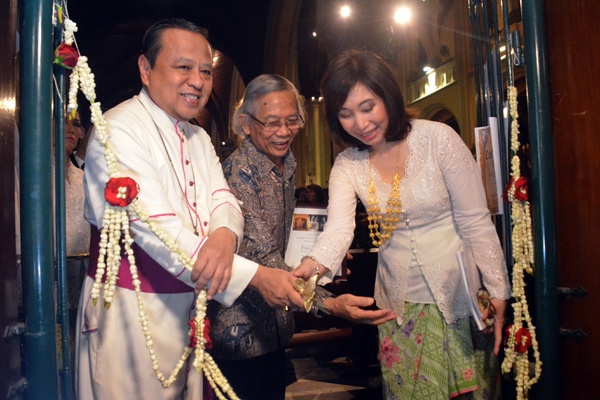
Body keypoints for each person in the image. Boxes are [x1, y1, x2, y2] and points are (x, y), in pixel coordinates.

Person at [76, 19, 304, 400]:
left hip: (192, 306)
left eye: (205, 71)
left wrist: (223, 236)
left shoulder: (198, 136)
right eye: (183, 67)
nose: (197, 80)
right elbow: (157, 230)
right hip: (133, 310)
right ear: (145, 70)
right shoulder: (117, 128)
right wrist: (254, 276)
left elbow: (224, 200)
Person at [293, 50, 511, 399]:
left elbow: (474, 221)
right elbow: (338, 231)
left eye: (368, 107)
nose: (360, 124)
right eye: (346, 114)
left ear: (389, 96)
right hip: (398, 309)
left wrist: (498, 289)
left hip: (460, 298)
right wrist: (313, 264)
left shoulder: (437, 138)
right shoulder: (347, 164)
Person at [208, 74, 395, 400]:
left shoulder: (285, 165)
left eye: (293, 120)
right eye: (272, 123)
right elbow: (265, 258)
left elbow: (283, 248)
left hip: (276, 328)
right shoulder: (238, 174)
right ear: (246, 124)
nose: (284, 132)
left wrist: (323, 260)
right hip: (241, 334)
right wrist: (330, 303)